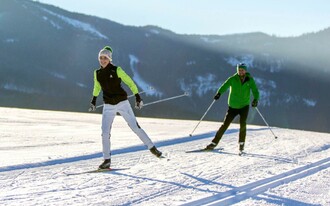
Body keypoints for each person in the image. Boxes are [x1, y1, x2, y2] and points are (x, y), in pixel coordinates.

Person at [89, 46, 162, 169]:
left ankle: (152, 148)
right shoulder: (97, 73)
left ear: (109, 59)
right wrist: (94, 100)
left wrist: (138, 96)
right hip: (108, 105)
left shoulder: (117, 70)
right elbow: (97, 87)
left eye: (105, 58)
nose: (103, 60)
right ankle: (106, 160)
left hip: (122, 103)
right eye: (101, 58)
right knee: (105, 133)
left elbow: (130, 82)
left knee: (135, 127)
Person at [205, 63, 260, 155]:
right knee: (225, 125)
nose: (240, 71)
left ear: (245, 71)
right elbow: (224, 86)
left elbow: (255, 91)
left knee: (243, 124)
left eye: (242, 70)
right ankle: (214, 142)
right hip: (233, 106)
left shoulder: (250, 80)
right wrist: (219, 93)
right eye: (239, 70)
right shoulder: (232, 79)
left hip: (244, 106)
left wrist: (255, 99)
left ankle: (241, 144)